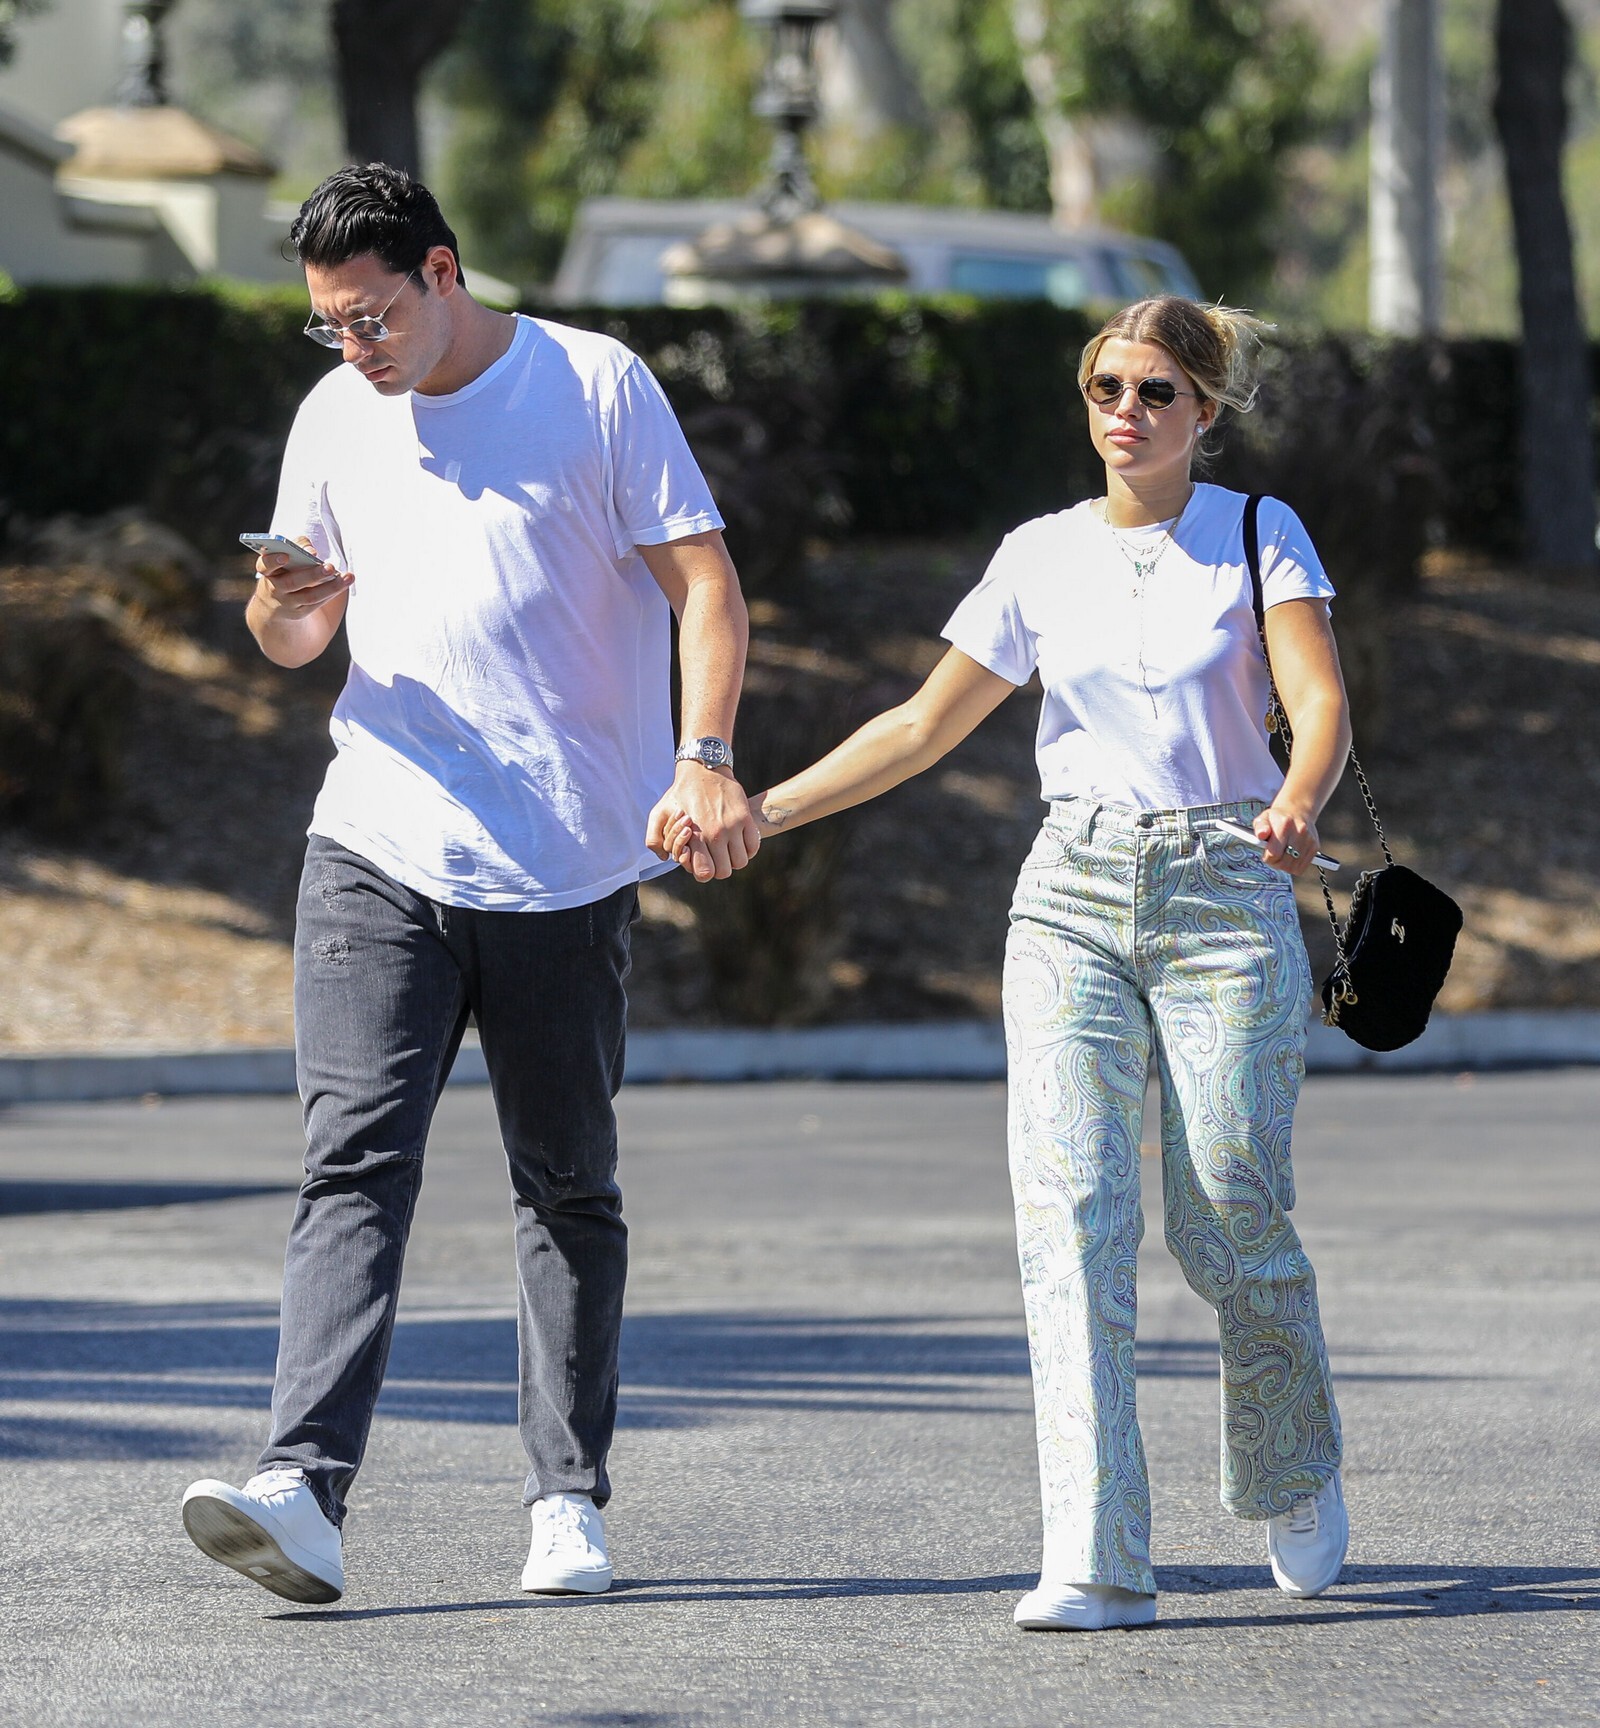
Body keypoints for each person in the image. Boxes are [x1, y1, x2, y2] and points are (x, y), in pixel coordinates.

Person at [667, 296, 1350, 1631]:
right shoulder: (1038, 555)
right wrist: (761, 807)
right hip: (1072, 896)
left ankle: (1291, 1456)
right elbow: (922, 725)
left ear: (1206, 410)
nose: (1126, 413)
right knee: (1071, 1213)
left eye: (1156, 392)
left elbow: (1318, 700)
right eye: (1106, 388)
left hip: (1226, 887)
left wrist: (1297, 801)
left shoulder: (1258, 534)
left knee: (1229, 1208)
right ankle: (1097, 1554)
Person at [180, 164, 760, 1605]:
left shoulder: (594, 385)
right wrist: (285, 604)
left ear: (443, 272)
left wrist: (703, 759)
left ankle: (567, 1496)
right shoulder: (336, 414)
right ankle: (301, 1488)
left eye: (371, 315)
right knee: (352, 1161)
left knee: (565, 1183)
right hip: (375, 841)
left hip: (565, 859)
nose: (353, 346)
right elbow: (289, 640)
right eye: (328, 324)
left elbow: (704, 584)